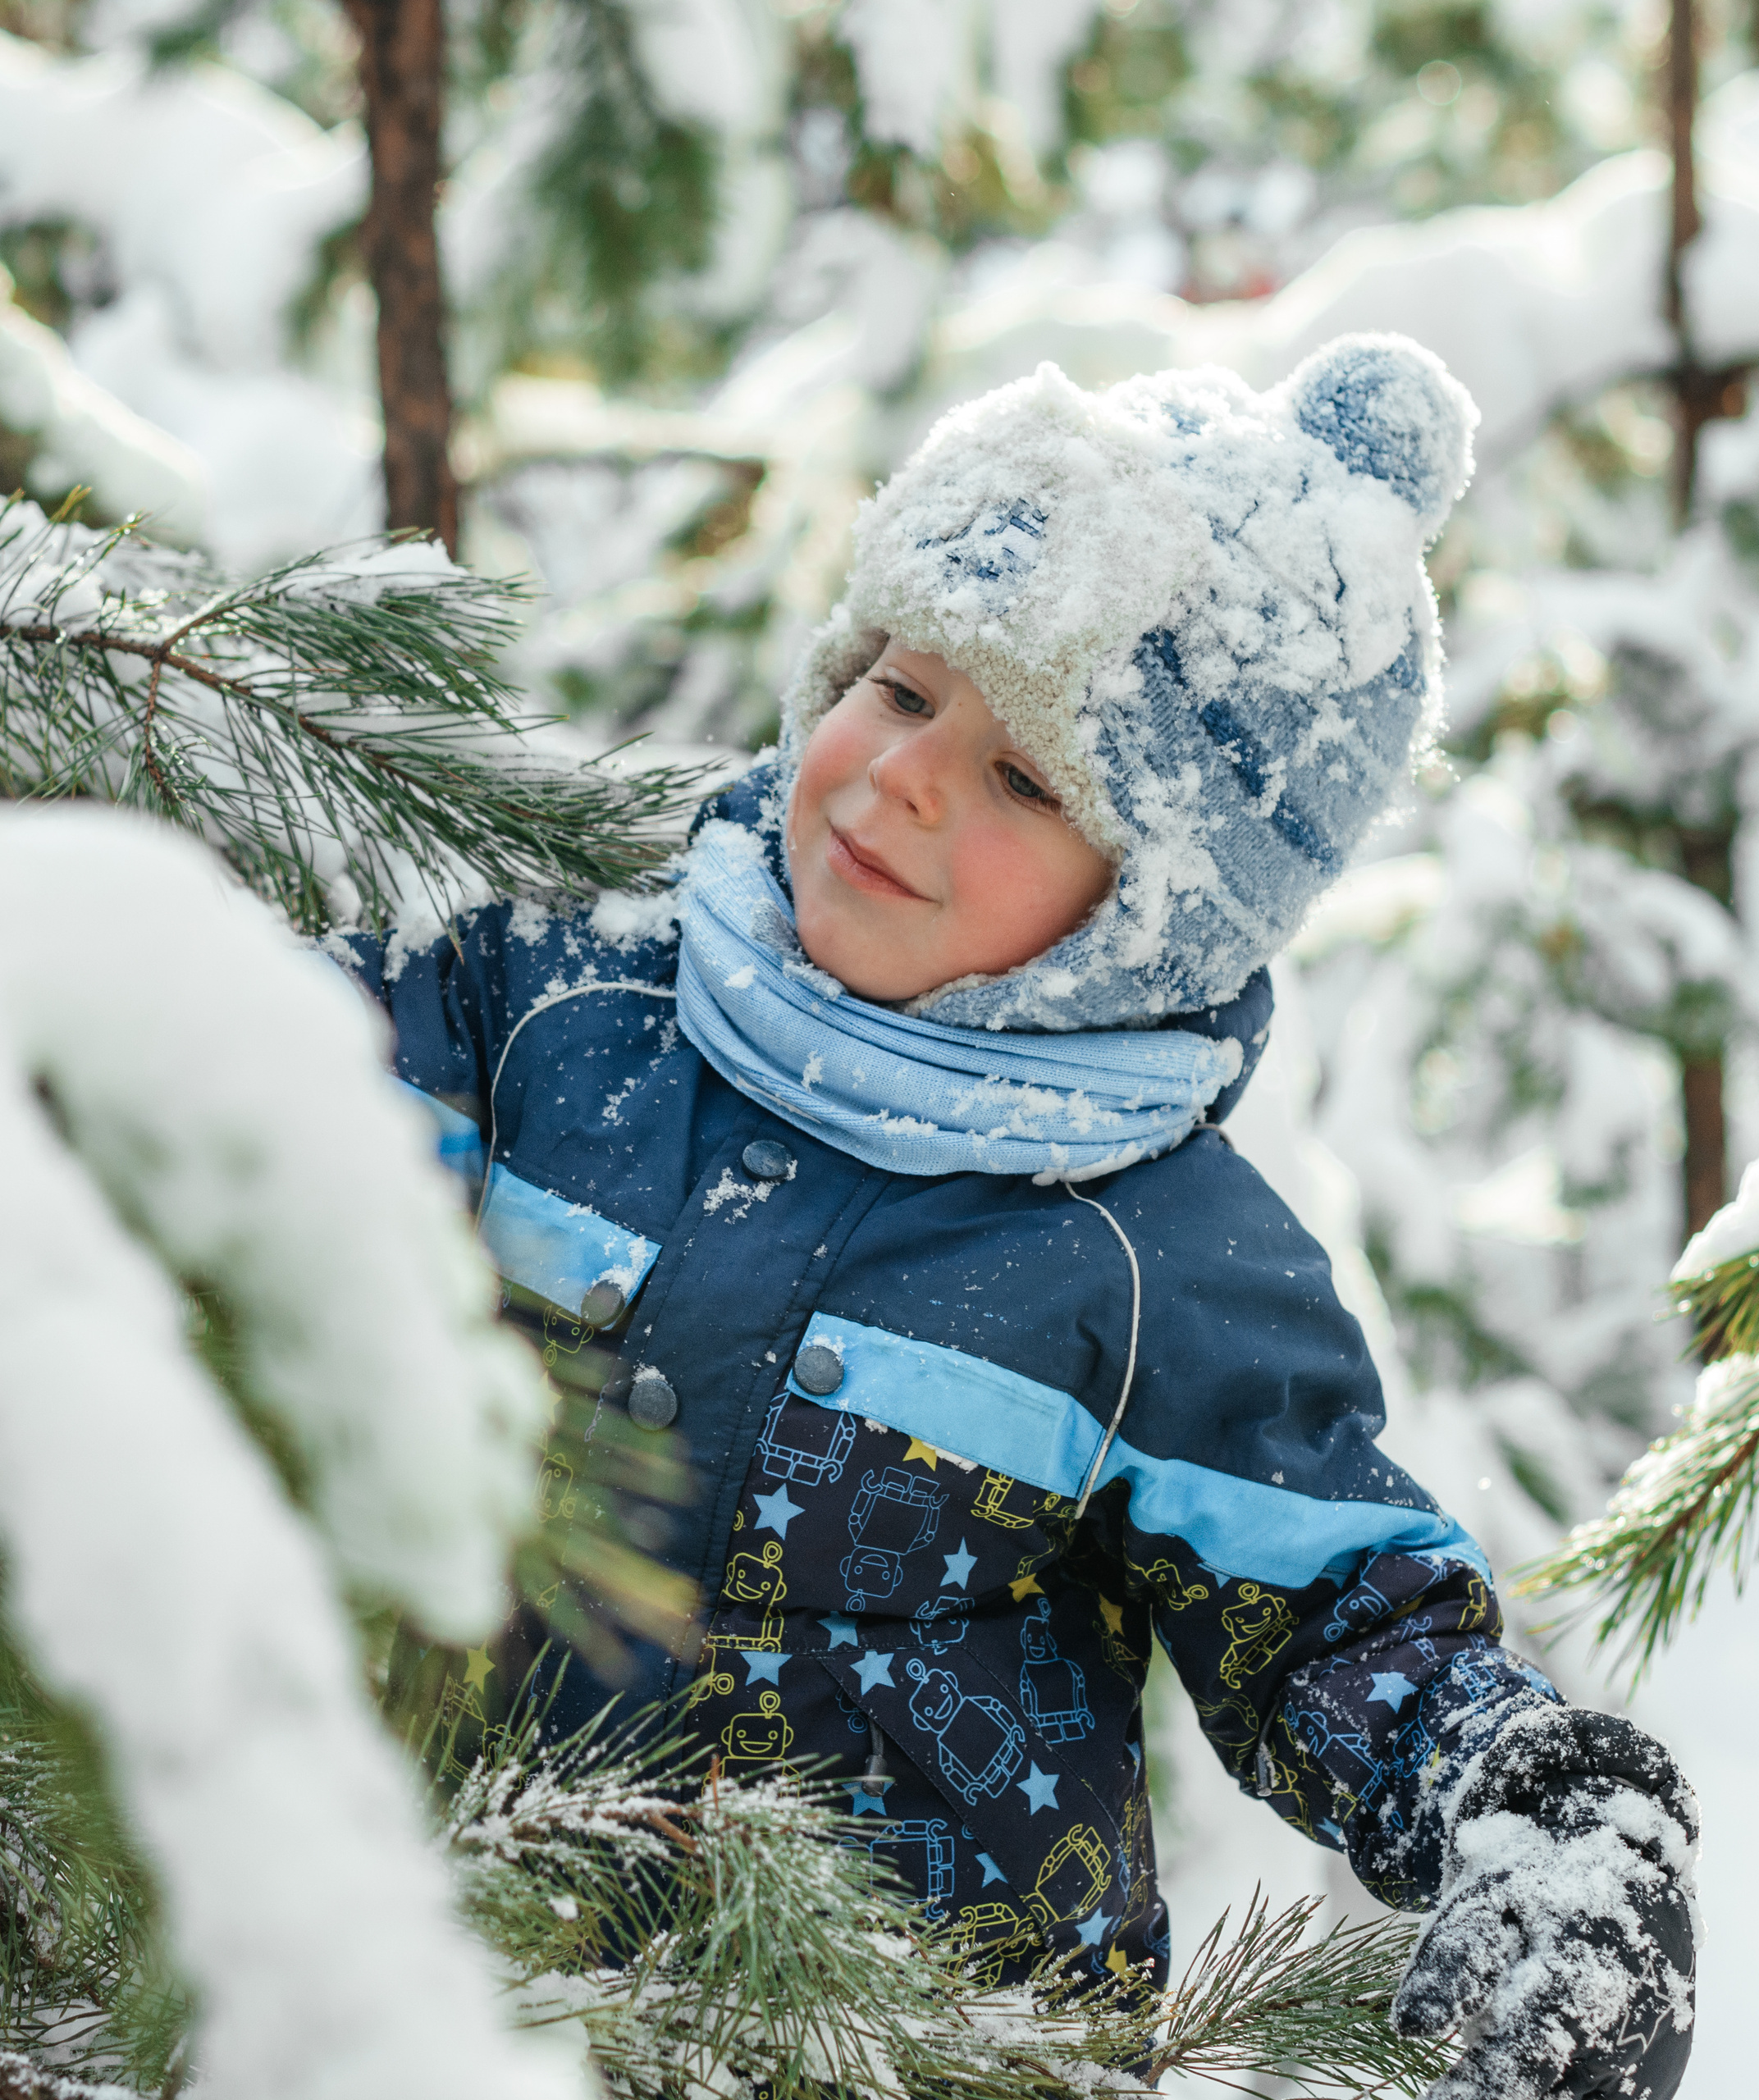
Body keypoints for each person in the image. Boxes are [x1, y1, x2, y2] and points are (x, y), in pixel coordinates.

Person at [327, 336, 1697, 2100]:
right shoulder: (544, 994)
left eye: (1029, 780)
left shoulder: (1158, 1256)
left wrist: (1536, 1811)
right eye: (901, 691)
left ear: (1153, 916)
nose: (903, 779)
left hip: (906, 2049)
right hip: (437, 1990)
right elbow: (231, 1104)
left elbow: (1340, 1622)